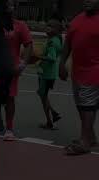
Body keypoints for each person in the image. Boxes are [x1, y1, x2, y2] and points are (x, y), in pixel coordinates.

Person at [60, 0, 99, 155]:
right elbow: (68, 44)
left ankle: (84, 141)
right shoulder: (77, 19)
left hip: (94, 71)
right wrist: (62, 63)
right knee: (83, 105)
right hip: (78, 72)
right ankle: (90, 136)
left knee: (87, 105)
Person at [0, 0, 33, 140]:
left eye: (11, 5)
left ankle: (9, 129)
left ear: (14, 8)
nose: (8, 8)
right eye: (5, 5)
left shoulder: (20, 26)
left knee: (9, 97)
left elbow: (28, 45)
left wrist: (23, 63)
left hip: (10, 68)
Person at [36, 19, 62, 130]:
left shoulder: (53, 41)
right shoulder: (52, 39)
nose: (47, 28)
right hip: (45, 72)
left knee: (42, 95)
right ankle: (52, 116)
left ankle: (51, 119)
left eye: (50, 27)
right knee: (42, 95)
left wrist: (37, 57)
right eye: (47, 26)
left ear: (56, 29)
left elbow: (51, 58)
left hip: (48, 73)